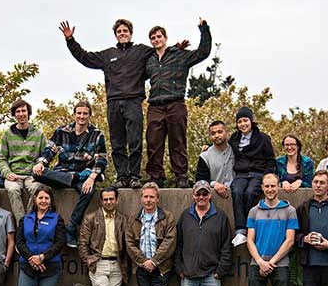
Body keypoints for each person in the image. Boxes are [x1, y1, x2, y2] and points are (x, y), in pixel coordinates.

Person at [60, 18, 151, 189]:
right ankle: (122, 176)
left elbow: (161, 52)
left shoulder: (141, 51)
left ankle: (134, 176)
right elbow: (85, 57)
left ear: (130, 33)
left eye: (125, 31)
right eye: (119, 32)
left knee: (135, 141)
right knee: (117, 142)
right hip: (114, 102)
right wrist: (70, 40)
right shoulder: (108, 55)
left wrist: (178, 48)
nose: (122, 34)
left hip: (133, 101)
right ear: (116, 35)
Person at [144, 19, 212, 188]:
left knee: (178, 141)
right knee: (153, 142)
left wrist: (204, 29)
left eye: (159, 36)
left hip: (175, 103)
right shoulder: (149, 60)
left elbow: (203, 52)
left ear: (165, 38)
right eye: (153, 37)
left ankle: (180, 175)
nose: (156, 39)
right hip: (155, 105)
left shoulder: (180, 55)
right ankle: (156, 176)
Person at [33, 100, 108, 248]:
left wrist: (92, 177)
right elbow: (49, 150)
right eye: (79, 113)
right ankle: (72, 178)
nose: (82, 116)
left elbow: (102, 159)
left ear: (89, 115)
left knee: (89, 190)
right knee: (36, 174)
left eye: (85, 113)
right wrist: (41, 163)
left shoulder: (97, 135)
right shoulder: (61, 132)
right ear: (74, 114)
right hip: (62, 173)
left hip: (83, 175)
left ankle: (72, 227)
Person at [175, 180, 233, 286]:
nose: (201, 197)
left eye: (204, 193)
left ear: (210, 195)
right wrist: (179, 268)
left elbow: (227, 246)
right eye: (198, 194)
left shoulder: (220, 216)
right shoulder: (186, 216)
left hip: (211, 274)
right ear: (193, 195)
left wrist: (220, 271)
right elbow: (178, 244)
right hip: (188, 273)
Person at [246, 173, 299, 286]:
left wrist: (272, 262)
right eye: (266, 186)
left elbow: (290, 240)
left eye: (273, 186)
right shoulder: (254, 211)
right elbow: (249, 240)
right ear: (262, 187)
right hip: (257, 265)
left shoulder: (289, 210)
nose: (270, 189)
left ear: (278, 187)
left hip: (280, 265)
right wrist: (261, 262)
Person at [125, 182, 176, 286]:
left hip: (161, 268)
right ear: (141, 198)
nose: (148, 200)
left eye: (151, 197)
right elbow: (130, 243)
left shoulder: (167, 217)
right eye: (145, 196)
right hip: (141, 267)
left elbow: (169, 241)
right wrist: (143, 261)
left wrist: (154, 261)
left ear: (157, 199)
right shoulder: (134, 218)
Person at [78, 187, 129, 286]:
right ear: (101, 201)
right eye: (105, 199)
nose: (108, 202)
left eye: (111, 199)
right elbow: (82, 244)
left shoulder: (123, 219)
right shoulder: (91, 218)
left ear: (117, 200)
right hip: (98, 265)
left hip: (117, 266)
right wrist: (89, 261)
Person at [15, 186, 66, 286]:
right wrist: (32, 258)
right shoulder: (26, 219)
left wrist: (43, 257)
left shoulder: (57, 219)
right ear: (35, 200)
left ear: (50, 201)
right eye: (40, 198)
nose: (43, 201)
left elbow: (60, 242)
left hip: (50, 267)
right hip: (28, 266)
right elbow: (20, 242)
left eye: (46, 198)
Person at [229, 107, 276, 247]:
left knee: (250, 193)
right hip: (241, 174)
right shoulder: (234, 138)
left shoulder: (263, 138)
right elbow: (223, 147)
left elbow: (271, 160)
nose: (243, 124)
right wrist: (207, 147)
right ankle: (240, 231)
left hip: (257, 173)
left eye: (245, 120)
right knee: (237, 191)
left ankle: (250, 227)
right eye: (240, 121)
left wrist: (267, 176)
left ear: (251, 121)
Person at [0, 98, 47, 223]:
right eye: (18, 111)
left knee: (38, 189)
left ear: (28, 113)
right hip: (14, 174)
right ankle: (22, 224)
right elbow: (2, 158)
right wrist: (7, 173)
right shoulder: (7, 135)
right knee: (13, 190)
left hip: (32, 175)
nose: (21, 114)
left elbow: (45, 156)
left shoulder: (38, 134)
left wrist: (40, 165)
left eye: (23, 111)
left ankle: (31, 219)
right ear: (14, 115)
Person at [195, 120, 234, 199]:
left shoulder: (236, 150)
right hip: (214, 196)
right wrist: (214, 184)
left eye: (220, 132)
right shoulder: (204, 156)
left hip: (237, 194)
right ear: (209, 136)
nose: (216, 135)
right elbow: (200, 180)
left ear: (226, 132)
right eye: (213, 133)